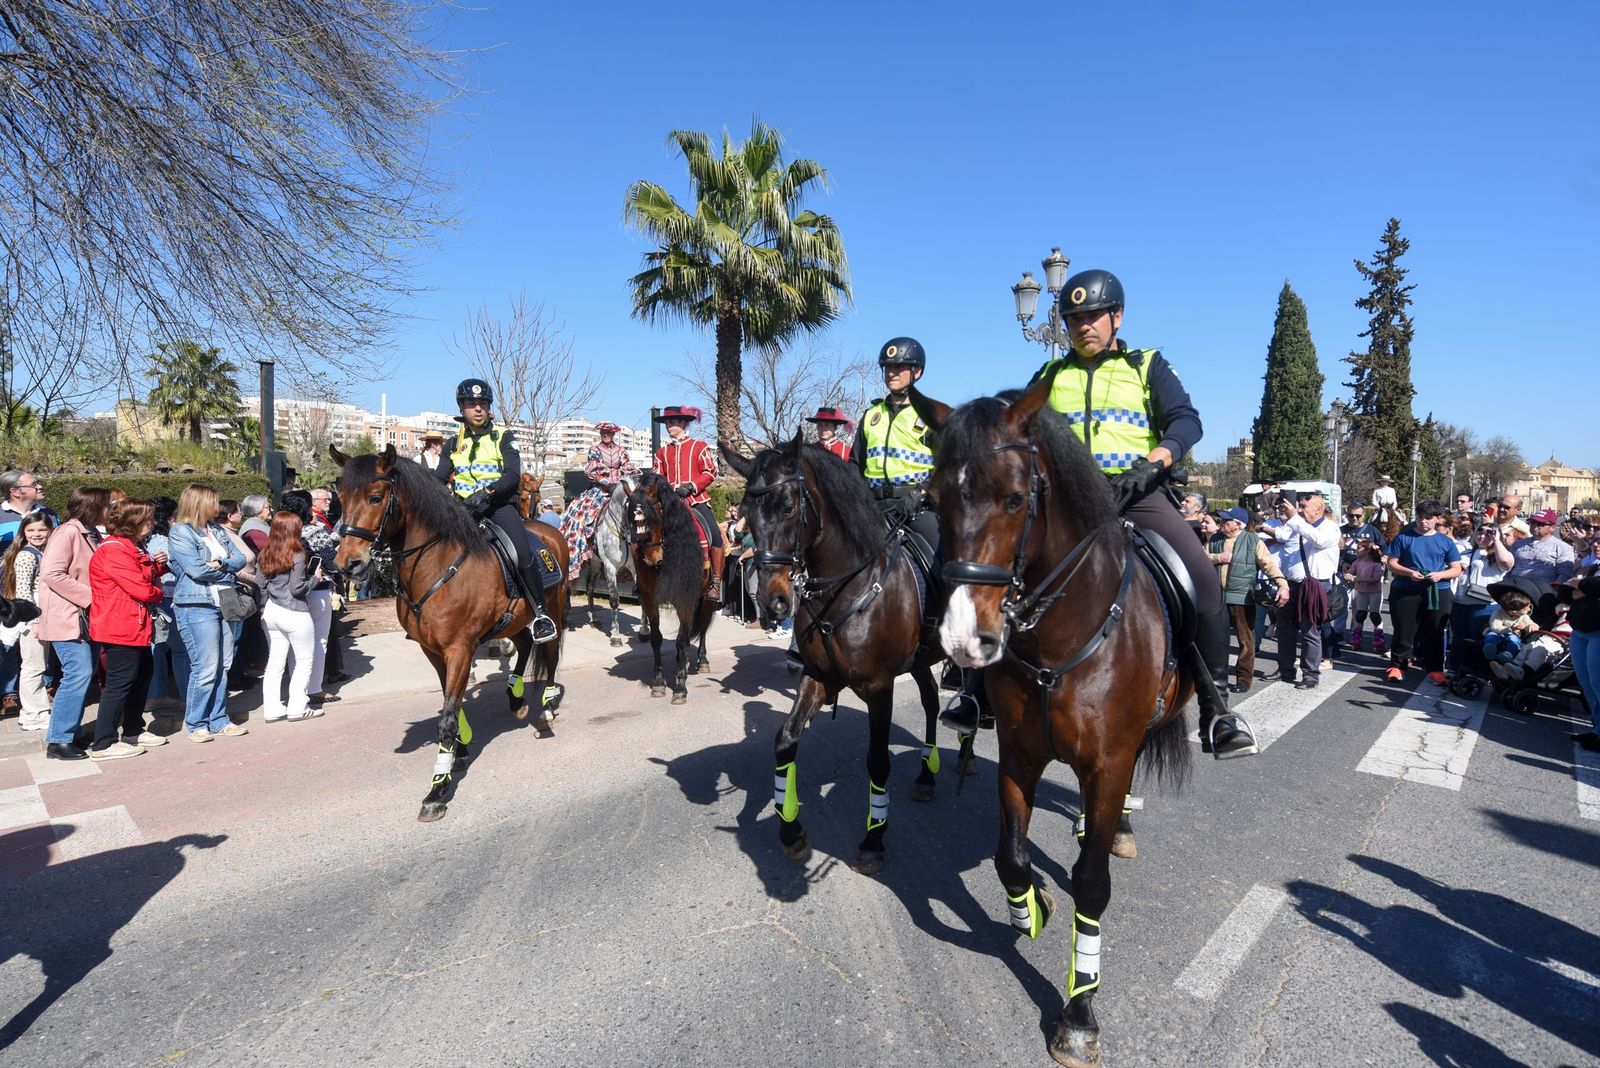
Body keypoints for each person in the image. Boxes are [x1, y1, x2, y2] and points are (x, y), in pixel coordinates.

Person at [1025, 270, 1255, 755]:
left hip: (1137, 493)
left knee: (1204, 578)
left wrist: (1152, 465)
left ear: (1117, 316)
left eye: (1092, 316)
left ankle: (1217, 707)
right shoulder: (1049, 376)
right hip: (1066, 501)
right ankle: (975, 688)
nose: (1083, 326)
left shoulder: (1146, 364)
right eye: (1073, 319)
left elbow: (1186, 422)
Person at [432, 378, 558, 642]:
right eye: (471, 403)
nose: (477, 408)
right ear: (462, 407)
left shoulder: (504, 436)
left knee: (522, 552)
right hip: (462, 510)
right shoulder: (453, 442)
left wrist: (488, 493)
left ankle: (540, 614)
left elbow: (513, 475)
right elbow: (439, 478)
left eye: (482, 403)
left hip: (497, 507)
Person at [35, 487, 111, 759]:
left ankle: (71, 732)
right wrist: (91, 597)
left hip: (81, 618)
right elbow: (52, 573)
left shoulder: (85, 532)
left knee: (81, 674)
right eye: (106, 505)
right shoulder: (67, 532)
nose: (110, 510)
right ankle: (59, 740)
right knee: (77, 675)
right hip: (67, 617)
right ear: (93, 506)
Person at [86, 499, 166, 759]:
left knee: (142, 676)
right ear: (133, 522)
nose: (152, 524)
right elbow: (140, 588)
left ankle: (133, 729)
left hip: (135, 624)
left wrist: (157, 567)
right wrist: (158, 592)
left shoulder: (131, 546)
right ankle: (103, 742)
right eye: (148, 519)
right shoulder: (114, 550)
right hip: (119, 625)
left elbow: (142, 577)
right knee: (119, 683)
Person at [168, 483, 249, 741]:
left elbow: (240, 558)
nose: (218, 506)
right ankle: (196, 722)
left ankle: (218, 718)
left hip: (225, 600)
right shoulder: (180, 532)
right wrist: (225, 568)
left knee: (223, 665)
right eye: (213, 501)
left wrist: (221, 563)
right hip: (196, 604)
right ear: (200, 503)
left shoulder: (216, 530)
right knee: (205, 666)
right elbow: (196, 570)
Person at [854, 339, 940, 555]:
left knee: (945, 560)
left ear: (917, 372)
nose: (891, 372)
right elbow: (855, 464)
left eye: (899, 367)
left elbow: (947, 465)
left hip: (916, 508)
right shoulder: (871, 415)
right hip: (873, 508)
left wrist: (921, 493)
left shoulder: (930, 414)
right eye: (888, 367)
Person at [1261, 490, 1342, 689]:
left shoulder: (1330, 528)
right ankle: (1285, 669)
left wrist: (1295, 519)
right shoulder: (1298, 525)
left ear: (1319, 508)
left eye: (1304, 507)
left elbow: (1318, 541)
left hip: (1314, 586)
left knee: (1310, 631)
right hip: (1291, 584)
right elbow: (1281, 536)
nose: (1299, 510)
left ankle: (1310, 675)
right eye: (1299, 506)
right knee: (1285, 629)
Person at [1382, 499, 1463, 685]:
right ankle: (1397, 666)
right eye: (1420, 517)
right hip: (1405, 589)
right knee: (1404, 629)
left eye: (1428, 518)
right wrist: (1409, 572)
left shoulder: (1445, 542)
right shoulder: (1403, 537)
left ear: (1437, 519)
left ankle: (1434, 669)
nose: (1423, 522)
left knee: (1434, 631)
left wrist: (1440, 575)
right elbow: (1392, 563)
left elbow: (1456, 568)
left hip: (1437, 591)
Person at [1208, 507, 1288, 693]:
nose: (1221, 523)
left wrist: (1282, 584)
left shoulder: (1253, 541)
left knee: (1246, 641)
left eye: (1226, 521)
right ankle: (1215, 677)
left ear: (1238, 525)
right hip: (1217, 598)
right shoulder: (1214, 539)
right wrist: (1217, 557)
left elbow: (1268, 565)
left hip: (1242, 597)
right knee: (1215, 640)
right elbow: (1200, 557)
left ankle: (1244, 679)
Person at [257, 510, 324, 723]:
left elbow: (261, 585)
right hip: (295, 611)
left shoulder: (264, 553)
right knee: (304, 661)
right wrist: (315, 578)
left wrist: (263, 610)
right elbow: (297, 589)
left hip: (272, 610)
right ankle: (297, 706)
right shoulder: (297, 554)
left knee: (275, 661)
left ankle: (272, 708)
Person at [653, 404, 725, 601]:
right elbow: (656, 478)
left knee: (716, 536)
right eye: (667, 422)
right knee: (646, 533)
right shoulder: (661, 453)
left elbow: (711, 472)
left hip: (695, 500)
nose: (669, 426)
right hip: (670, 503)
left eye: (672, 422)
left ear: (683, 423)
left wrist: (692, 486)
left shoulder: (699, 446)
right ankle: (644, 580)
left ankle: (715, 582)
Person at [561, 420, 639, 581]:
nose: (606, 435)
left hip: (619, 489)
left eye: (609, 432)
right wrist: (606, 483)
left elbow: (627, 468)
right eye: (604, 432)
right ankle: (583, 549)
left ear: (614, 434)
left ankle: (636, 558)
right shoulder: (594, 450)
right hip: (600, 490)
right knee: (577, 516)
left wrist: (621, 484)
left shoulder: (621, 451)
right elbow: (592, 471)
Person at [1, 511, 54, 731]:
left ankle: (37, 710)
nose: (37, 534)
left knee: (38, 665)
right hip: (32, 620)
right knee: (34, 666)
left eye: (42, 529)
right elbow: (23, 594)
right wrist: (33, 622)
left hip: (41, 617)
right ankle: (33, 713)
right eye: (31, 530)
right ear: (23, 532)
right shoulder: (26, 556)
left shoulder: (41, 553)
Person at [1558, 562, 1600, 751]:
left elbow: (1591, 586)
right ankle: (1597, 729)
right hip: (1579, 632)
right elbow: (1567, 592)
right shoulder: (1590, 568)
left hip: (1597, 633)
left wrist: (1582, 586)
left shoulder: (1587, 574)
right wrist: (1582, 588)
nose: (1597, 544)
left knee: (1598, 683)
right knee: (1587, 684)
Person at [1346, 542, 1388, 652]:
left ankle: (1379, 636)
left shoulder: (1376, 564)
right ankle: (1357, 635)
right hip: (1361, 592)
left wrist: (1358, 579)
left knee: (1374, 614)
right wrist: (1348, 575)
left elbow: (1376, 579)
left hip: (1374, 592)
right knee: (1360, 614)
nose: (1356, 550)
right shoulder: (1357, 562)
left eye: (1359, 548)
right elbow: (1350, 572)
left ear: (1367, 550)